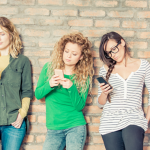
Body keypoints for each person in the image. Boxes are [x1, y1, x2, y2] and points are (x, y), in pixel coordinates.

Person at [35, 32, 94, 150]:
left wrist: (72, 88)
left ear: (81, 56)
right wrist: (50, 84)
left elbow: (79, 106)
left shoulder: (83, 76)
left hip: (75, 126)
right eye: (66, 51)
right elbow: (38, 94)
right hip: (53, 128)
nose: (68, 56)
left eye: (74, 53)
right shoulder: (49, 68)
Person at [97, 31, 150, 150]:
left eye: (114, 49)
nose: (112, 54)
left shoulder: (143, 65)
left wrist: (145, 121)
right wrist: (104, 93)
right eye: (108, 53)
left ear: (122, 42)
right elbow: (100, 104)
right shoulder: (105, 70)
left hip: (133, 118)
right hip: (109, 121)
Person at [0, 17, 33, 150]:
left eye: (2, 34)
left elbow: (27, 91)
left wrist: (22, 114)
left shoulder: (22, 61)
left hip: (13, 121)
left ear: (11, 35)